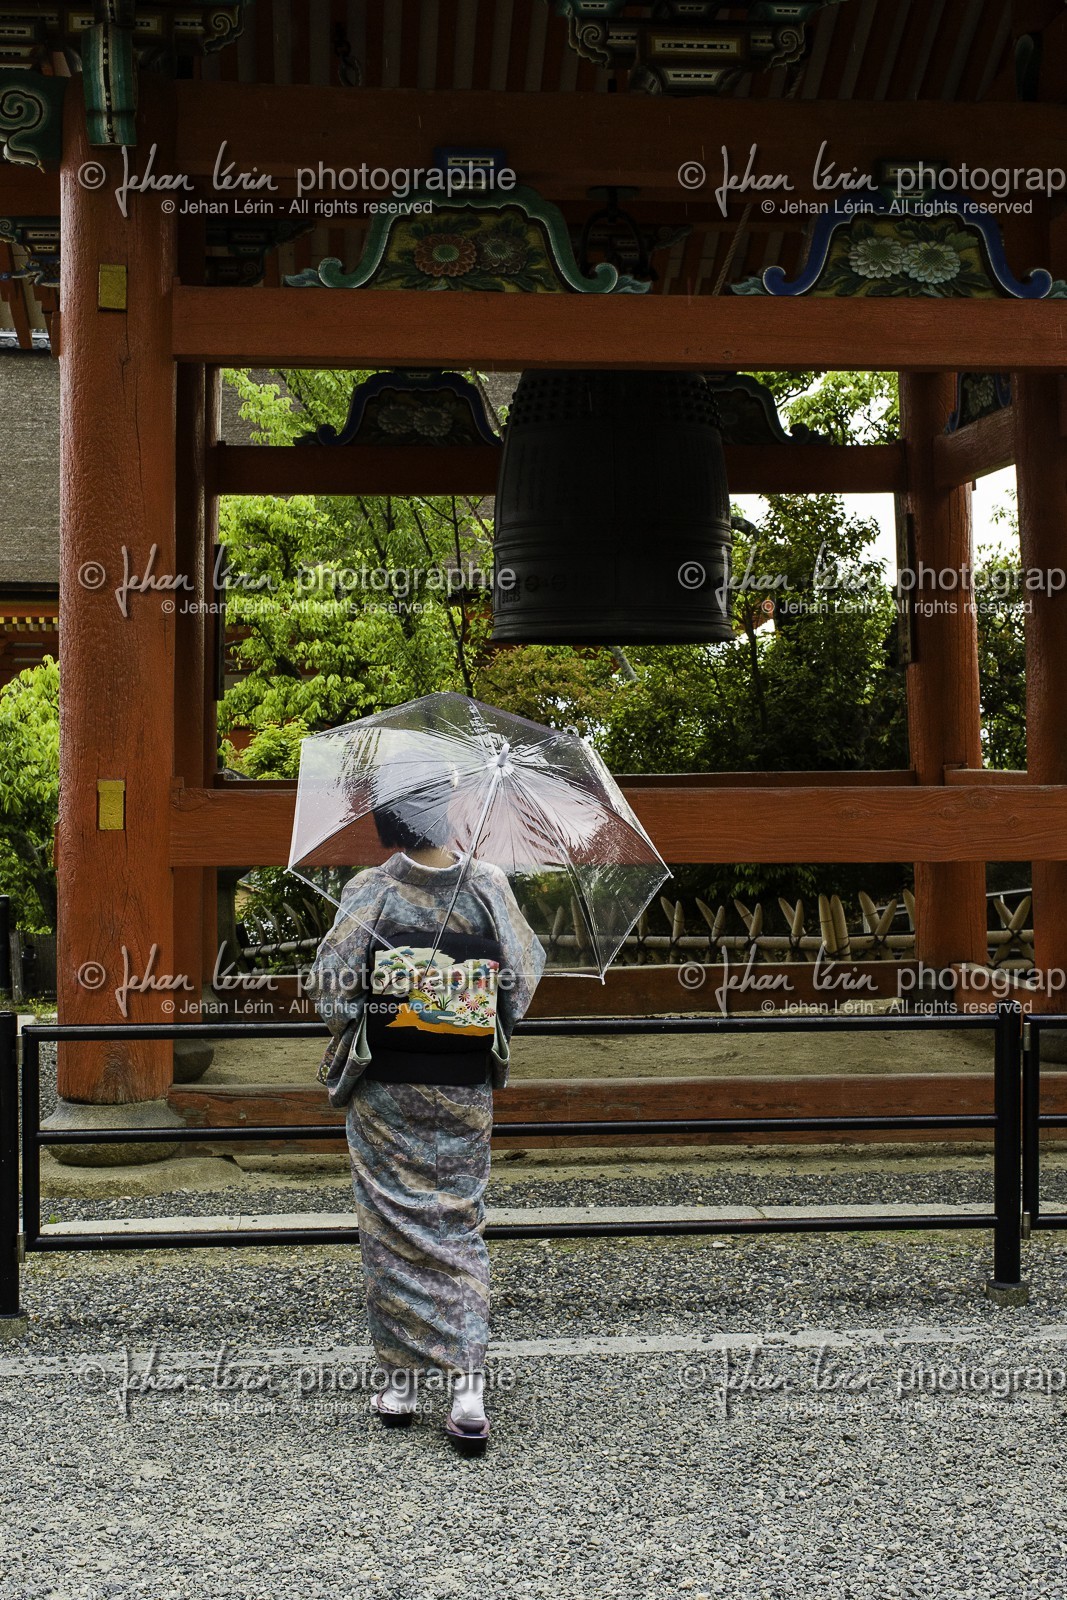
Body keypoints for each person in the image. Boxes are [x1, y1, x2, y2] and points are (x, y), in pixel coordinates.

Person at [306, 797, 546, 1455]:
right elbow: (521, 980)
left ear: (388, 825)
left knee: (390, 1228)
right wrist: (461, 997)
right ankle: (467, 1392)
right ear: (450, 816)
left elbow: (329, 992)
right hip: (462, 1082)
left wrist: (399, 993)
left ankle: (400, 1383)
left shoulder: (371, 888)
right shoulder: (489, 884)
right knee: (457, 1222)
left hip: (388, 1083)